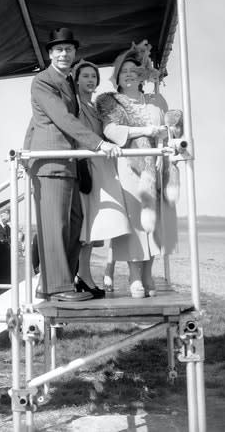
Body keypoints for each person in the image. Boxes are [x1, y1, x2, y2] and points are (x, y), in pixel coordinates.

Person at [23, 27, 121, 302]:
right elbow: (61, 118)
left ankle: (62, 279)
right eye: (58, 50)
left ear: (75, 53)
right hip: (51, 162)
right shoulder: (43, 81)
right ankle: (56, 287)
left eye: (69, 49)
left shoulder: (67, 82)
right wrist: (99, 144)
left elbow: (36, 122)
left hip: (69, 163)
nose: (64, 54)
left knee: (76, 223)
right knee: (55, 225)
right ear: (50, 54)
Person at [96, 41, 179, 298]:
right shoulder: (113, 103)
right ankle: (134, 276)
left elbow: (168, 130)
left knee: (155, 223)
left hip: (155, 165)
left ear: (141, 75)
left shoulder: (155, 101)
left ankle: (148, 273)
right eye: (124, 71)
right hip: (129, 166)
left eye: (134, 70)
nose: (129, 74)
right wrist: (142, 131)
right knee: (135, 222)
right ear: (117, 77)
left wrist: (165, 146)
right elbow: (111, 131)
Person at [72, 60, 135, 299]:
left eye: (93, 76)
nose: (90, 80)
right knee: (87, 226)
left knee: (94, 227)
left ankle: (84, 275)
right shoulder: (75, 104)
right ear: (76, 79)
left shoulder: (95, 105)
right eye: (85, 76)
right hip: (86, 166)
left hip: (101, 166)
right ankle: (83, 276)